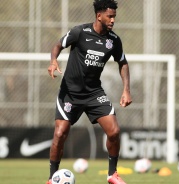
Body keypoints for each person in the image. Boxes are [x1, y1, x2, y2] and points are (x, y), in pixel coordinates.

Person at [46, 0, 132, 184]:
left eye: (114, 16)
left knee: (115, 132)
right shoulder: (80, 32)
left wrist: (126, 90)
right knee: (60, 134)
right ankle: (52, 178)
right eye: (110, 16)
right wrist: (54, 60)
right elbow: (58, 45)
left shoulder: (114, 41)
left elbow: (123, 62)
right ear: (99, 15)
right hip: (70, 93)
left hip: (94, 93)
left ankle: (112, 174)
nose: (113, 20)